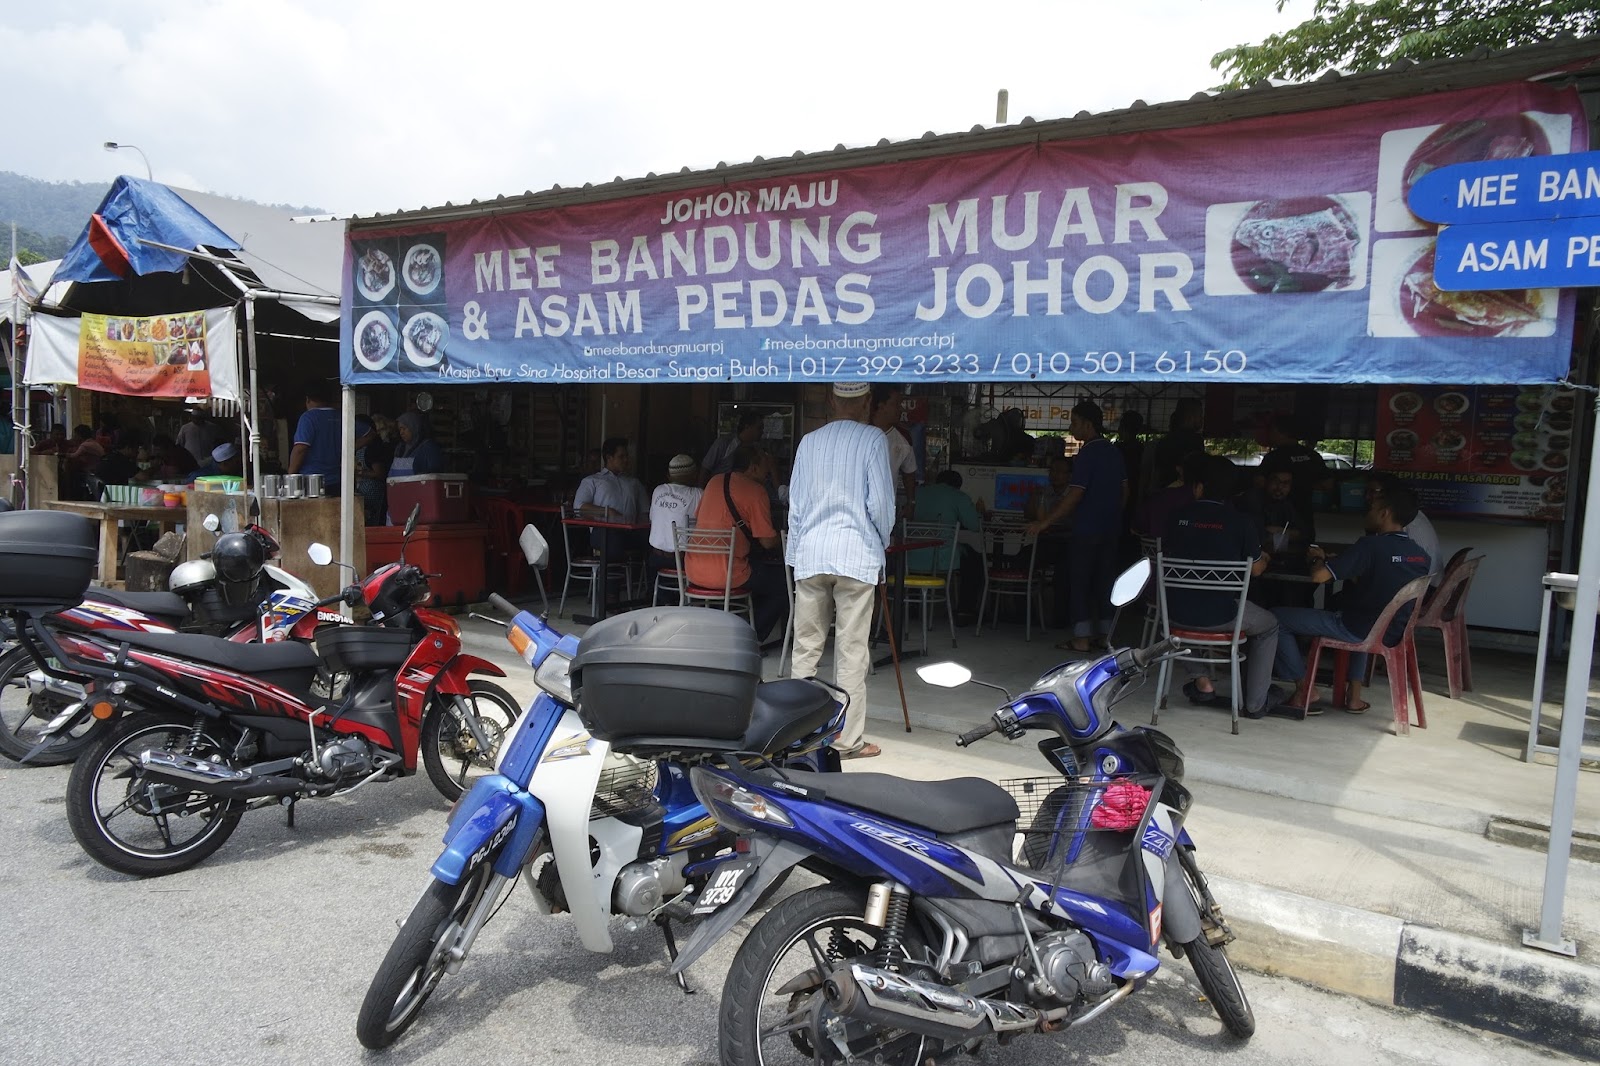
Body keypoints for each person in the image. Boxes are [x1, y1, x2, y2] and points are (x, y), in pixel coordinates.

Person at [787, 382, 894, 759]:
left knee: (806, 649)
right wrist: (880, 545)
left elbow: (795, 506)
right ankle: (847, 740)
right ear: (866, 403)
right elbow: (880, 504)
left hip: (812, 553)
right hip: (856, 554)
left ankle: (795, 736)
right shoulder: (872, 439)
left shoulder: (808, 442)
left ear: (831, 401)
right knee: (851, 651)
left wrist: (795, 555)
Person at [1272, 483, 1432, 715]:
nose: (1367, 512)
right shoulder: (1421, 555)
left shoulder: (1370, 545)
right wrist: (1349, 565)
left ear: (1384, 513)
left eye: (1372, 508)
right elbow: (1385, 578)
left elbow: (1319, 577)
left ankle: (1304, 688)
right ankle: (1354, 697)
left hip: (1355, 627)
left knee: (1277, 618)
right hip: (1393, 631)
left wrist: (1318, 559)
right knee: (1368, 616)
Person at [1161, 455, 1279, 719]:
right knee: (1270, 625)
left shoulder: (1175, 518)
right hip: (1223, 616)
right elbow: (1257, 570)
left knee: (1181, 620)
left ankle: (1202, 681)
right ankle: (1256, 702)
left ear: (1198, 487)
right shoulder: (1241, 522)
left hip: (1174, 613)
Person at [1027, 400, 1128, 652]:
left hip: (1086, 529)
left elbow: (1075, 494)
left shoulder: (1087, 453)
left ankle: (1081, 637)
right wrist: (1114, 514)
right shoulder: (1114, 452)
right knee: (1105, 582)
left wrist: (1045, 521)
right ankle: (1106, 635)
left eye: (1074, 423)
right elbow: (1126, 489)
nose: (1071, 428)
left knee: (1080, 582)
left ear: (1087, 424)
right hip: (1110, 528)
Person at [692, 444, 787, 643]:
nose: (768, 471)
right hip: (727, 575)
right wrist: (786, 536)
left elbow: (698, 516)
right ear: (753, 467)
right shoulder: (756, 491)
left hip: (694, 569)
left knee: (759, 573)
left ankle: (734, 624)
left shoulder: (713, 482)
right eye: (765, 466)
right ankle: (751, 638)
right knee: (783, 583)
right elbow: (768, 543)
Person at [909, 469, 985, 625]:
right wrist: (980, 513)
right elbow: (974, 525)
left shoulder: (917, 494)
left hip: (911, 558)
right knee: (974, 560)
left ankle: (911, 608)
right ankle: (965, 610)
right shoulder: (958, 496)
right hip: (941, 559)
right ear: (957, 486)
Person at [572, 436, 650, 557]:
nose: (626, 460)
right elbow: (579, 507)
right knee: (614, 540)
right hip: (604, 532)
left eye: (626, 456)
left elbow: (645, 512)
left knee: (652, 541)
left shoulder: (634, 483)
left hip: (630, 532)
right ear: (609, 457)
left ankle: (646, 575)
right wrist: (607, 512)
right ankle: (615, 574)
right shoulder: (592, 481)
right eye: (621, 456)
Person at [1365, 472, 1442, 587]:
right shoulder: (1407, 515)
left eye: (1373, 492)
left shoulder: (1404, 522)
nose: (1367, 497)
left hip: (1421, 590)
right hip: (1418, 586)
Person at [648, 453, 703, 599]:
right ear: (693, 475)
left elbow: (652, 518)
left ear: (670, 475)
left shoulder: (658, 490)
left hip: (656, 559)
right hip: (684, 562)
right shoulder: (698, 494)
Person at [1259, 415, 1331, 516]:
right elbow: (1327, 484)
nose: (1269, 435)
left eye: (1271, 431)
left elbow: (1259, 483)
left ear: (1280, 432)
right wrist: (1305, 488)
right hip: (1305, 513)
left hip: (1277, 514)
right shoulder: (1313, 456)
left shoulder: (1274, 457)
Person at [287, 381, 341, 492]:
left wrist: (290, 476)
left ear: (307, 399)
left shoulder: (308, 417)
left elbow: (300, 449)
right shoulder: (341, 416)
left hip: (312, 482)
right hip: (337, 480)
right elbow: (368, 434)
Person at [870, 383, 919, 506]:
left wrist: (911, 503)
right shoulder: (859, 432)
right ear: (881, 406)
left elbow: (909, 474)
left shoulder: (903, 438)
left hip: (886, 510)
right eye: (896, 404)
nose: (900, 409)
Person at [1146, 397, 1203, 495]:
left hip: (1164, 491)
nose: (1201, 419)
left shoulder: (1165, 440)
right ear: (1191, 416)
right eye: (1200, 415)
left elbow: (1156, 472)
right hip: (1184, 493)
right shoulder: (1195, 440)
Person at [700, 410, 762, 483]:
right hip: (720, 488)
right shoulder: (723, 443)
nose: (762, 431)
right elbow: (705, 468)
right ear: (747, 427)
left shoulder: (757, 449)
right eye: (759, 428)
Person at [355, 415, 395, 527]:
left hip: (374, 493)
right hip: (364, 492)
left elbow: (380, 473)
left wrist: (359, 473)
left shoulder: (373, 449)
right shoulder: (362, 448)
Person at [390, 411, 444, 478]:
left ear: (414, 427)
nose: (401, 433)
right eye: (400, 430)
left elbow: (435, 473)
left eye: (404, 429)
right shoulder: (400, 449)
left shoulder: (429, 447)